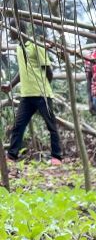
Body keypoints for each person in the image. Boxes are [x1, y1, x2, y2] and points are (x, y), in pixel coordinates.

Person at [3, 27, 62, 164]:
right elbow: (22, 70)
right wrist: (10, 85)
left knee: (51, 125)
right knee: (18, 125)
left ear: (17, 29)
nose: (9, 33)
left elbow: (48, 70)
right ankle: (12, 156)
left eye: (11, 29)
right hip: (26, 95)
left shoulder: (36, 45)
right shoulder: (18, 47)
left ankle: (56, 157)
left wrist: (43, 87)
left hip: (42, 95)